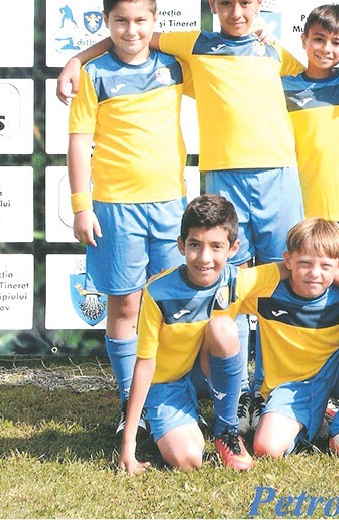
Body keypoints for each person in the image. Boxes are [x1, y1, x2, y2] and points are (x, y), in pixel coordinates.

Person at [56, 0, 308, 436]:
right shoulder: (190, 48)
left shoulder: (267, 51)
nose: (237, 12)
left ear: (260, 2)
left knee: (272, 285)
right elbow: (131, 36)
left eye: (246, 3)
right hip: (187, 189)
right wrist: (76, 59)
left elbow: (322, 73)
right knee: (208, 293)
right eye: (226, 3)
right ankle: (146, 403)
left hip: (259, 183)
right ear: (211, 4)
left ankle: (270, 390)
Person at [67, 0, 186, 441]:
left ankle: (171, 397)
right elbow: (79, 144)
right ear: (106, 21)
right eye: (120, 21)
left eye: (140, 21)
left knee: (173, 305)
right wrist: (82, 206)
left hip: (170, 206)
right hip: (115, 208)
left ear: (155, 21)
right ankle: (128, 403)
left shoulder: (176, 65)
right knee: (125, 306)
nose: (131, 30)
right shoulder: (93, 75)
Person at [118, 195, 281, 474]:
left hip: (206, 372)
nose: (205, 257)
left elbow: (295, 267)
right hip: (168, 383)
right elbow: (144, 364)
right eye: (195, 244)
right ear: (181, 245)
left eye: (216, 246)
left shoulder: (237, 279)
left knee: (223, 328)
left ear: (233, 248)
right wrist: (128, 444)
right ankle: (171, 414)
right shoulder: (157, 292)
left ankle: (227, 432)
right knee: (188, 459)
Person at [243, 218, 339, 461]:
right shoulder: (265, 293)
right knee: (266, 448)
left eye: (324, 266)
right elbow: (232, 283)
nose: (314, 273)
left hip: (334, 372)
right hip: (292, 386)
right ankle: (313, 416)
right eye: (304, 263)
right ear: (287, 260)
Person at [282, 4, 339, 257]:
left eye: (336, 43)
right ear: (304, 40)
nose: (326, 49)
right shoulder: (285, 87)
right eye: (319, 39)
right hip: (303, 204)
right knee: (309, 272)